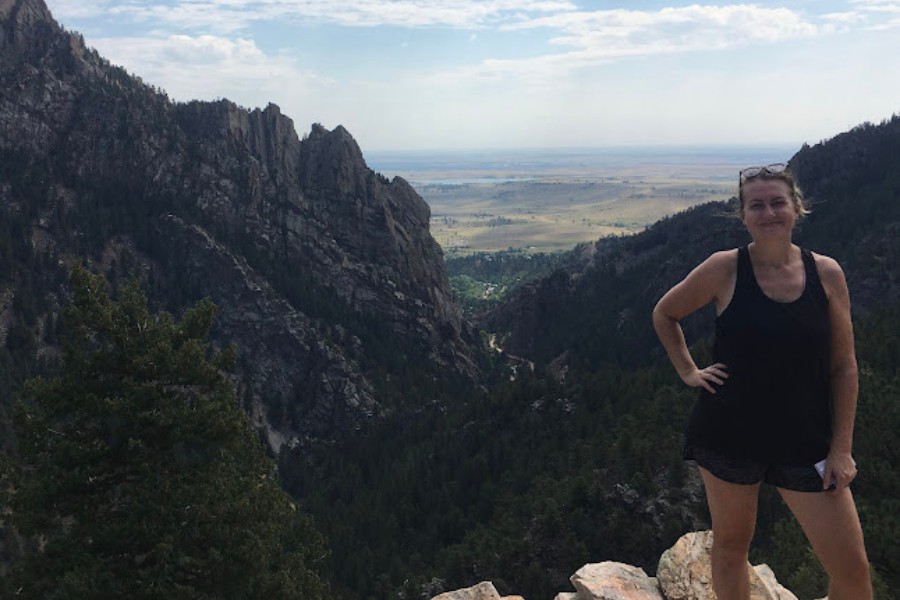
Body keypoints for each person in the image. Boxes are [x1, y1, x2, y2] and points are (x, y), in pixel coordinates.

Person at [652, 163, 872, 600]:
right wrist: (689, 371)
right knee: (731, 547)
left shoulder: (827, 273)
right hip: (730, 433)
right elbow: (666, 313)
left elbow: (844, 367)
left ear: (796, 208)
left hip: (807, 440)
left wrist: (841, 448)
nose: (768, 212)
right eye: (757, 205)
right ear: (743, 215)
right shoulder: (724, 269)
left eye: (777, 202)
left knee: (853, 572)